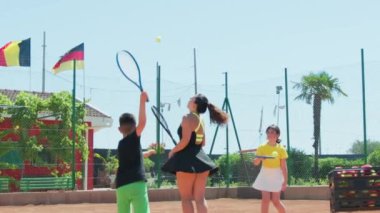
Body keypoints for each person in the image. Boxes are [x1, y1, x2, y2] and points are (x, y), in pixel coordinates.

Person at [162, 94, 228, 213]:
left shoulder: (187, 117)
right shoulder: (200, 120)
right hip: (201, 159)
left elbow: (185, 141)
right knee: (200, 199)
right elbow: (202, 143)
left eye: (191, 98)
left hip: (186, 160)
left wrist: (173, 151)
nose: (189, 99)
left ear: (195, 103)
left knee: (186, 199)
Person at [116, 91, 156, 213]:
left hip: (122, 185)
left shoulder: (120, 145)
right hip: (136, 183)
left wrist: (147, 153)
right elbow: (142, 123)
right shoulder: (134, 137)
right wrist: (142, 100)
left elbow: (133, 156)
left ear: (119, 129)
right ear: (134, 128)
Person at [252, 124, 288, 213]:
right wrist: (260, 158)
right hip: (265, 174)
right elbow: (255, 163)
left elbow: (283, 167)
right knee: (265, 200)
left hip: (276, 175)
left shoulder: (281, 149)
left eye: (272, 132)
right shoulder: (261, 147)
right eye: (268, 132)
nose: (269, 134)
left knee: (276, 201)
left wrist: (285, 182)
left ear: (277, 135)